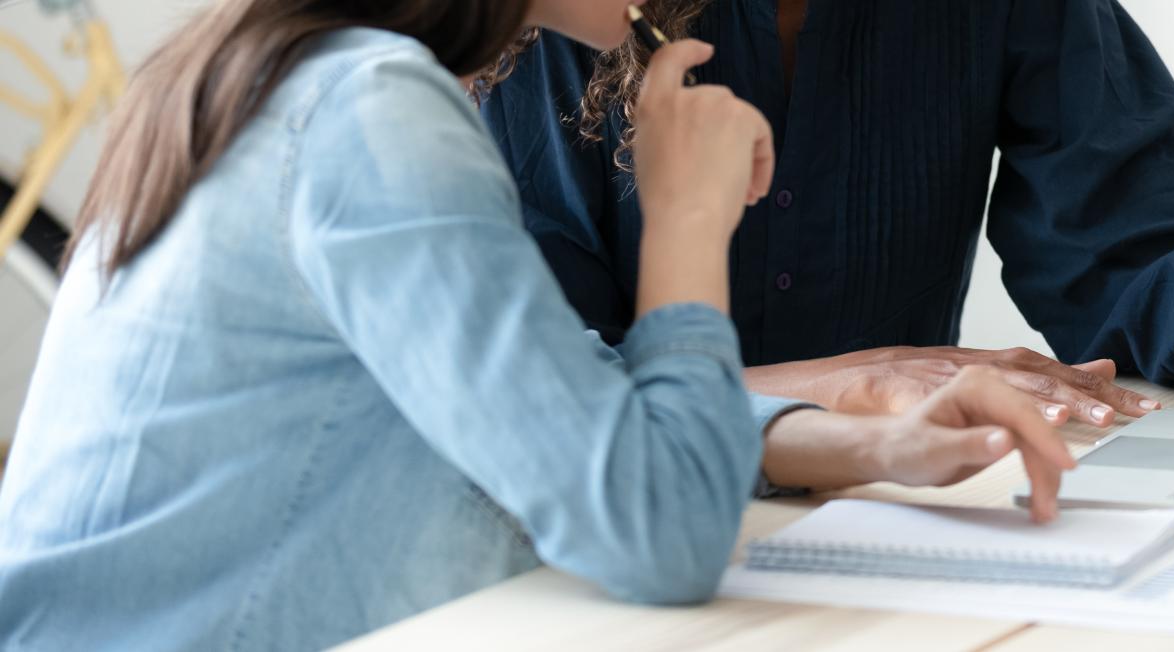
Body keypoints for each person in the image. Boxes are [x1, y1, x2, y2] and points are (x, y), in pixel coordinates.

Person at [0, 0, 1072, 648]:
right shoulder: (370, 113)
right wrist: (687, 220)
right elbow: (658, 534)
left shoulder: (299, 75)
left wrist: (861, 441)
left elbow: (551, 411)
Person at [480, 0, 1174, 428]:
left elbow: (1134, 243)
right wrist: (859, 381)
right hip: (598, 557)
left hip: (890, 507)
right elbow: (546, 394)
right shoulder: (536, 29)